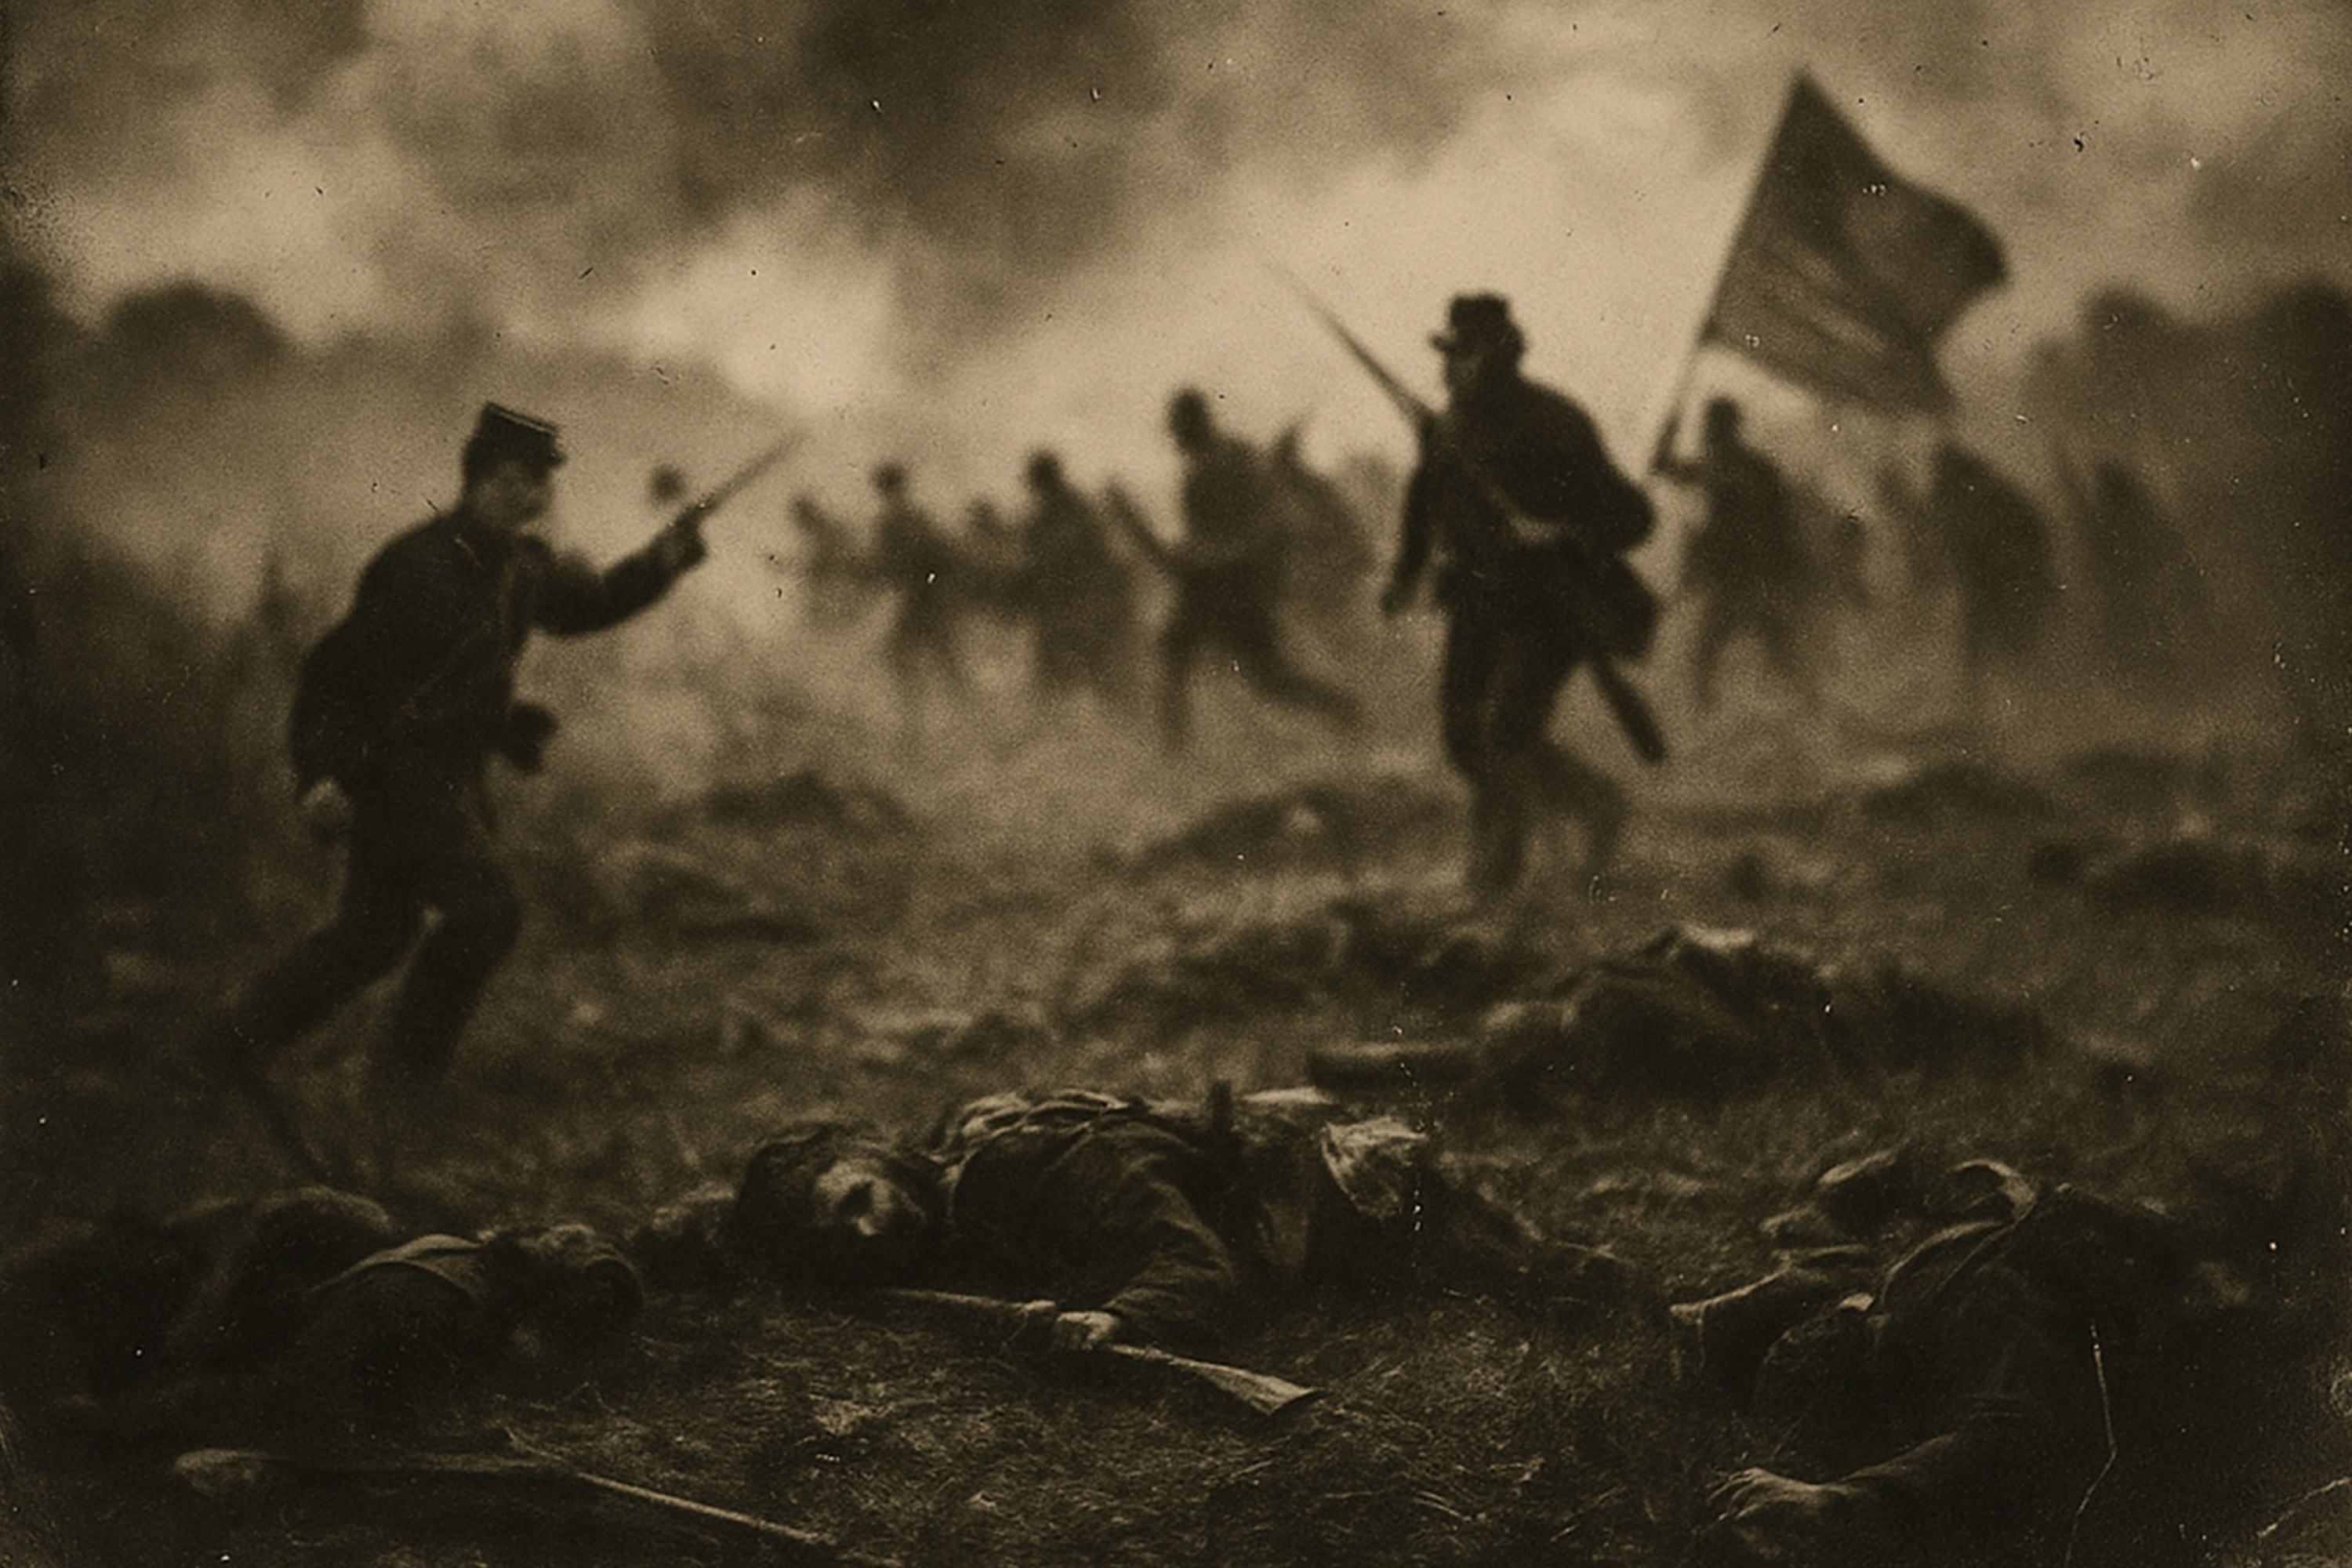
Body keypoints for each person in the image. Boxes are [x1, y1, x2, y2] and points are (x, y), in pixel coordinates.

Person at [208, 405, 708, 1122]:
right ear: (473, 481)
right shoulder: (417, 563)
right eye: (507, 481)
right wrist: (317, 775)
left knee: (374, 935)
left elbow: (586, 607)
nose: (524, 496)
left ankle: (222, 1051)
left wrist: (663, 559)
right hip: (395, 772)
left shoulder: (523, 565)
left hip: (450, 777)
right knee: (486, 913)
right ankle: (402, 1091)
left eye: (536, 483)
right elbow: (333, 676)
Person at [714, 1087, 1637, 1353]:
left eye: (858, 1202)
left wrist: (1119, 1318)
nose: (867, 1234)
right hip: (1287, 1178)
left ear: (879, 1163)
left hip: (1342, 1193)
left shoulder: (1033, 1173)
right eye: (840, 1239)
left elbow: (1196, 1268)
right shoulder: (957, 1183)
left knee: (1546, 1280)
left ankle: (1677, 1318)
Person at [1383, 295, 1657, 897]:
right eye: (1450, 353)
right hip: (1477, 600)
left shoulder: (1557, 422)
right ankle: (1595, 802)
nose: (1447, 367)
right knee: (1463, 738)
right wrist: (1405, 574)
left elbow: (1632, 517)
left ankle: (1496, 878)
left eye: (1462, 354)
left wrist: (1561, 530)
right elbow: (1422, 502)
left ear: (1498, 358)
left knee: (1505, 734)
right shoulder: (1449, 426)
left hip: (1547, 606)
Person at [1155, 389, 1362, 752]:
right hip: (1209, 583)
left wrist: (1236, 557)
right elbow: (1205, 532)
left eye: (1179, 428)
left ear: (1195, 424)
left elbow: (1267, 521)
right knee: (1175, 656)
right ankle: (1174, 752)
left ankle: (1346, 712)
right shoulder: (1205, 466)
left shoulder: (1232, 460)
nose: (1176, 438)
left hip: (1238, 584)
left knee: (1270, 680)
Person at [1651, 397, 1820, 710]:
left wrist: (1667, 441)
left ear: (1723, 428)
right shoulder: (1746, 464)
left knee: (1715, 645)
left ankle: (1804, 697)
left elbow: (1671, 469)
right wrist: (1668, 433)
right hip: (1747, 571)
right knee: (1764, 640)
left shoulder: (1735, 466)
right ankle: (1807, 697)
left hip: (1745, 570)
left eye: (1711, 426)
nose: (1707, 432)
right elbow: (1666, 467)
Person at [1014, 449, 1142, 714]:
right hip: (1064, 609)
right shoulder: (1042, 520)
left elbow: (1095, 554)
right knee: (1055, 681)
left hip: (1088, 605)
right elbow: (1035, 562)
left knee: (1105, 679)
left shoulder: (1078, 511)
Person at [867, 462, 971, 743]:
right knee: (943, 662)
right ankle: (960, 721)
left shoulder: (894, 523)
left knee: (916, 660)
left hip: (919, 601)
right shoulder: (915, 518)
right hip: (924, 599)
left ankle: (917, 727)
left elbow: (890, 563)